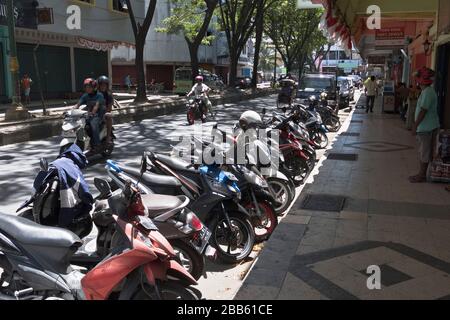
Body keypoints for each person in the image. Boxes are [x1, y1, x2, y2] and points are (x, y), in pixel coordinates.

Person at [409, 67, 440, 183]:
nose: (416, 80)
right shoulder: (426, 91)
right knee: (424, 151)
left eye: (417, 78)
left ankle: (422, 175)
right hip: (426, 127)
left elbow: (423, 111)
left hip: (427, 128)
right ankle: (422, 174)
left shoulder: (428, 92)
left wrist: (415, 125)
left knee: (424, 152)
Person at [74, 78, 105, 151]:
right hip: (88, 115)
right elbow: (78, 104)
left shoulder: (99, 95)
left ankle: (97, 144)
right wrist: (71, 110)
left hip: (98, 115)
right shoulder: (85, 95)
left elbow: (96, 106)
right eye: (86, 87)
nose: (87, 89)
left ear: (94, 87)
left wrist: (92, 113)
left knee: (93, 124)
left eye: (89, 87)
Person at [97, 76, 114, 144]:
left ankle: (108, 137)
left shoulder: (108, 95)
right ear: (99, 85)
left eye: (105, 85)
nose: (103, 86)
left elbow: (109, 108)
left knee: (109, 117)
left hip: (104, 113)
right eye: (101, 85)